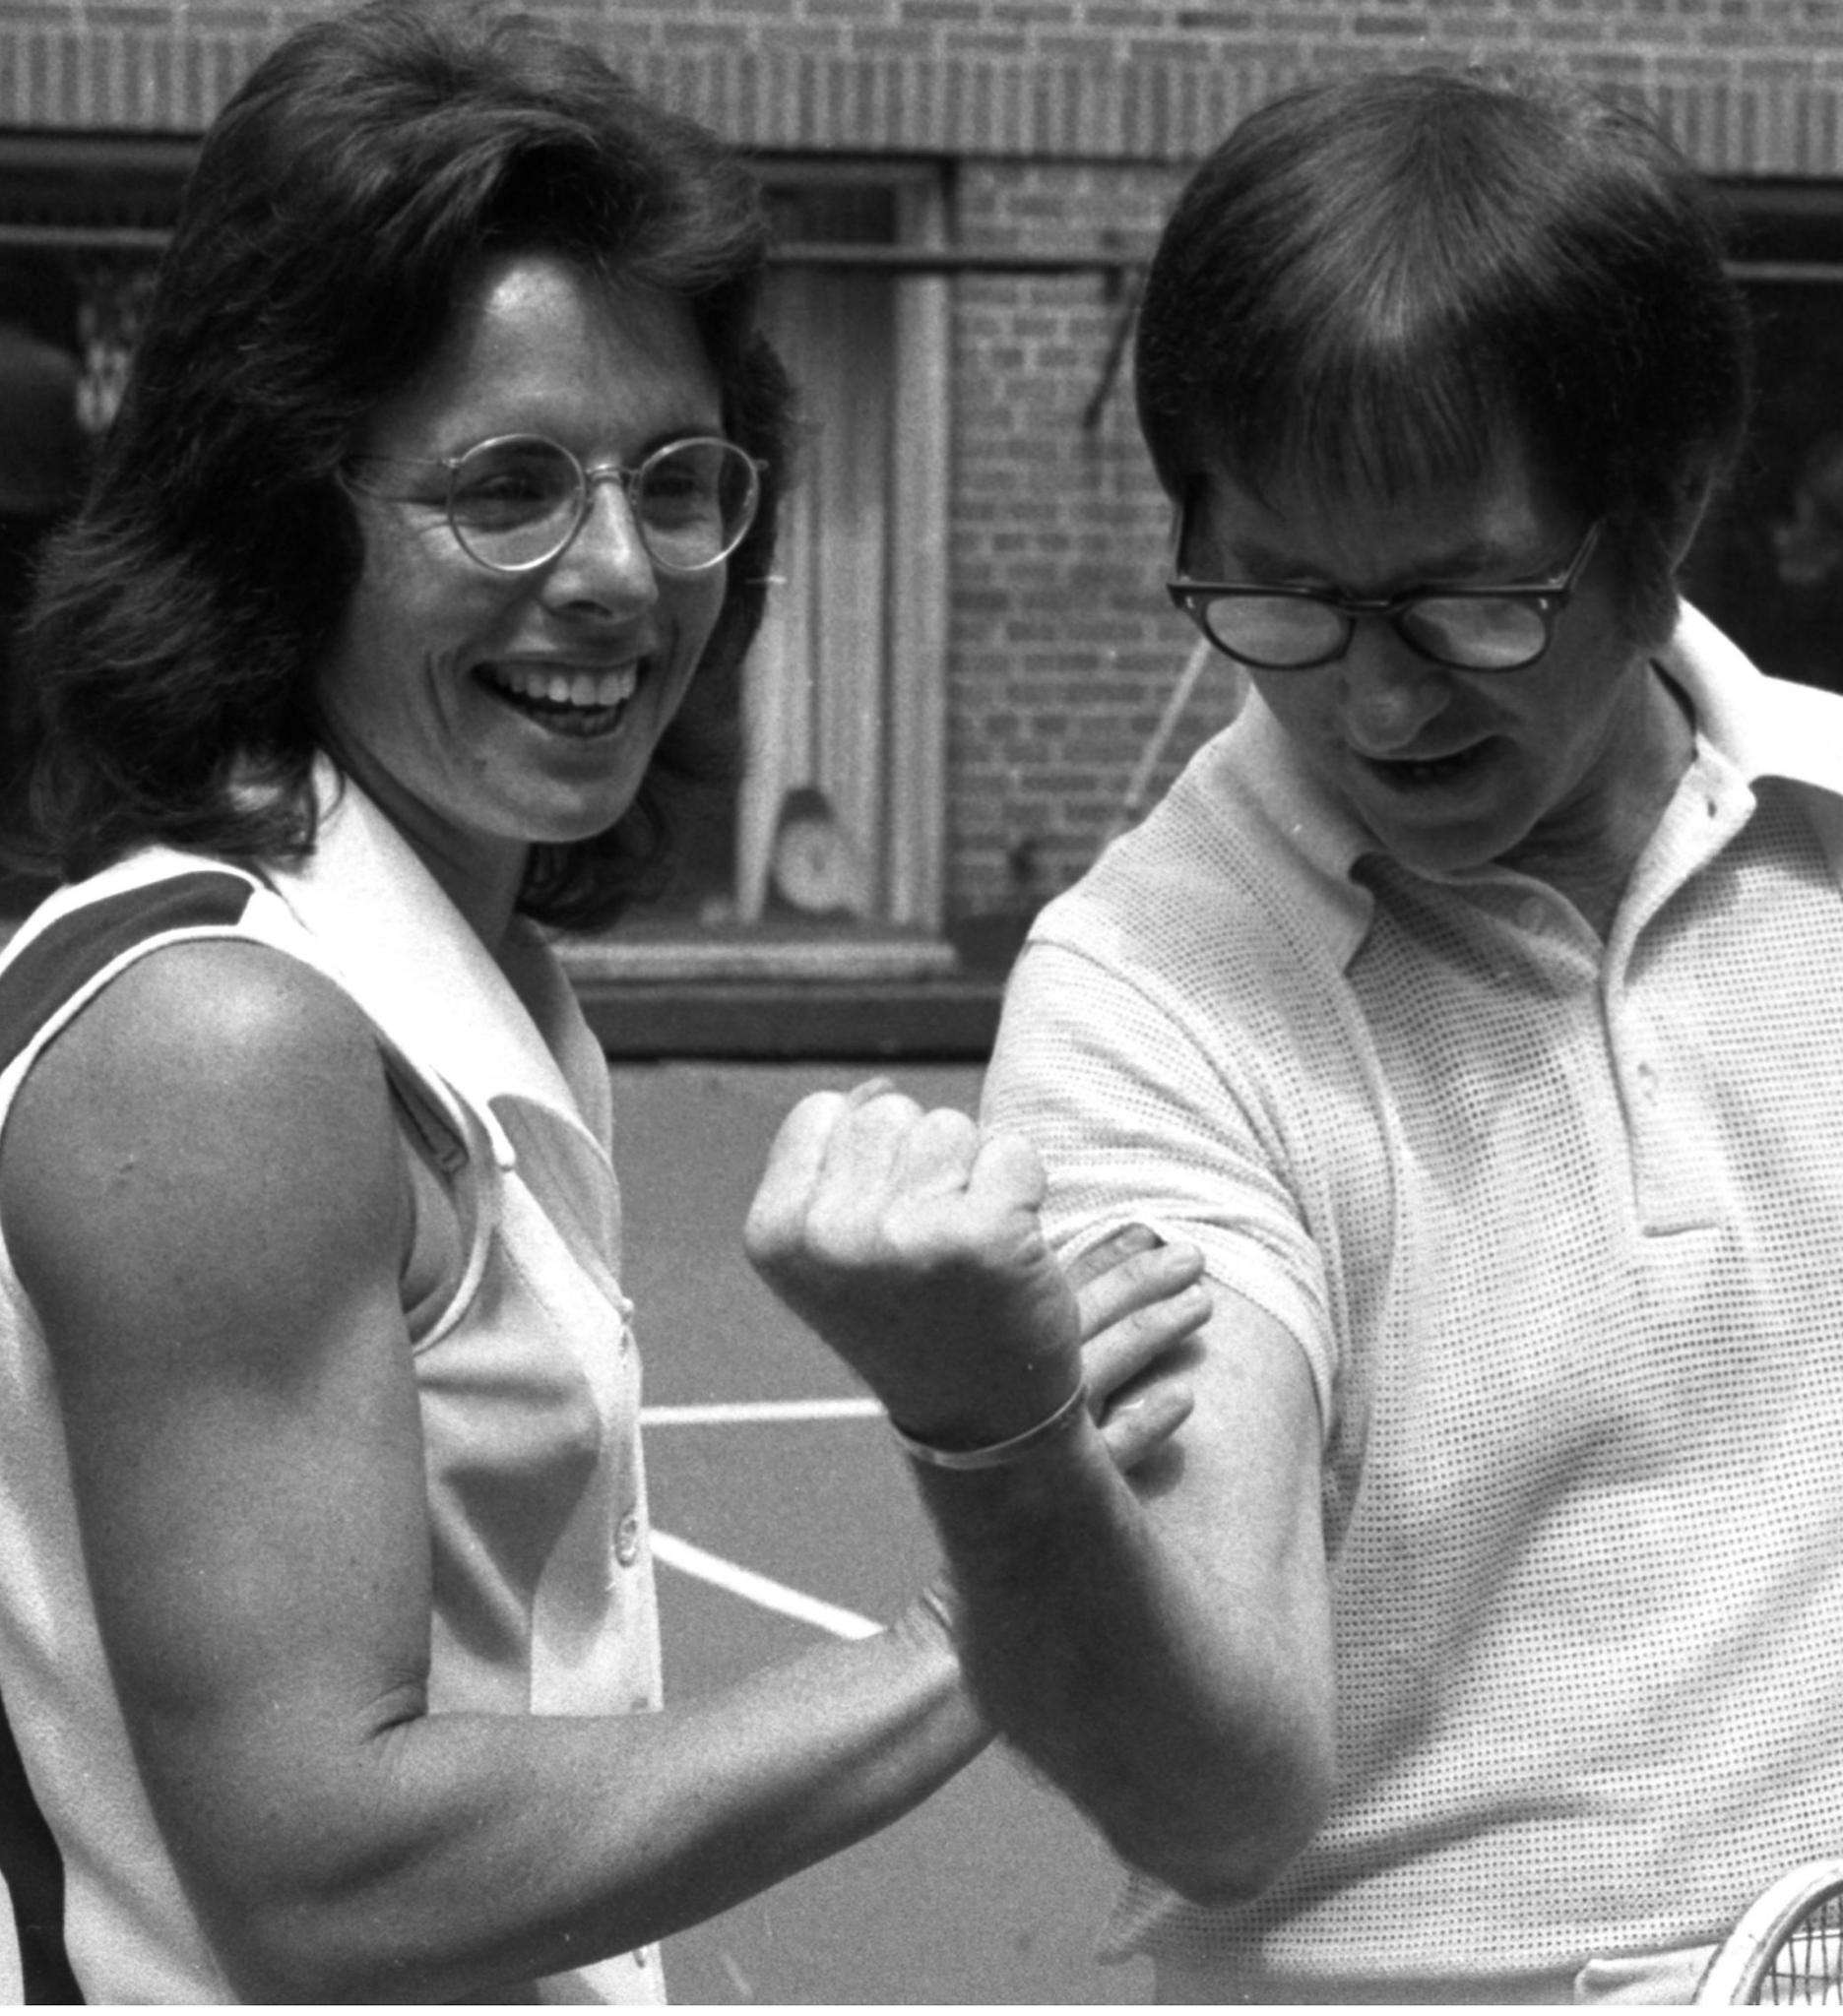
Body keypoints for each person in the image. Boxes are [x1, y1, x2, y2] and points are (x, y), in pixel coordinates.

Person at [748, 63, 1843, 2004]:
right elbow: (1215, 1799)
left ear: (1661, 517)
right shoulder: (1148, 996)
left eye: (1460, 598)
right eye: (1281, 593)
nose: (1372, 692)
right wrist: (987, 1424)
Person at [0, 4, 1211, 2001]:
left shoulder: (445, 967)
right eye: (505, 488)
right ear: (275, 515)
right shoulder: (229, 1038)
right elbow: (328, 1872)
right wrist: (996, 1603)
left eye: (677, 479)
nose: (618, 573)